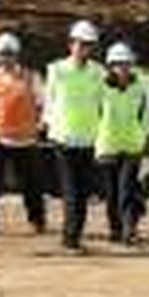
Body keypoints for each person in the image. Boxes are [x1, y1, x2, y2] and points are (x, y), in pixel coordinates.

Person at [0, 31, 46, 235]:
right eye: (1, 54)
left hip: (25, 139)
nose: (5, 58)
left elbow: (42, 105)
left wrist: (41, 125)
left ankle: (37, 220)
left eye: (9, 54)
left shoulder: (32, 78)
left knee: (32, 185)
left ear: (17, 54)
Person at [44, 20, 105, 250]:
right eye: (80, 44)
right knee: (71, 191)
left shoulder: (99, 73)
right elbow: (50, 102)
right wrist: (49, 128)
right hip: (64, 138)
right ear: (71, 44)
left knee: (82, 194)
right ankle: (71, 239)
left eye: (89, 45)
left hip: (89, 139)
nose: (84, 49)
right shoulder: (56, 69)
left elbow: (103, 106)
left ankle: (74, 236)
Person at [95, 42, 149, 244]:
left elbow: (148, 115)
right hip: (107, 145)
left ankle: (129, 230)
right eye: (117, 64)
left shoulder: (141, 85)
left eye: (126, 64)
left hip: (132, 145)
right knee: (112, 194)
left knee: (127, 191)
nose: (122, 68)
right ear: (110, 66)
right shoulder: (100, 87)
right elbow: (94, 114)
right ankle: (116, 229)